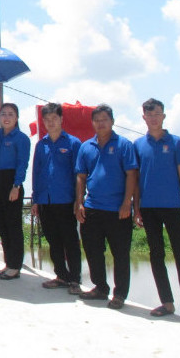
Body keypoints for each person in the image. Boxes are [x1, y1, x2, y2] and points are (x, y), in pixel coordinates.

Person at [133, 99, 180, 324]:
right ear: (144, 117)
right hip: (148, 208)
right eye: (149, 115)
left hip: (173, 206)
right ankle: (167, 303)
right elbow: (136, 180)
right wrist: (136, 208)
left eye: (157, 114)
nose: (153, 118)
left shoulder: (176, 142)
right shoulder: (138, 145)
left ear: (163, 116)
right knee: (156, 255)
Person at [75, 104, 138, 310]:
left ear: (112, 121)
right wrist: (79, 202)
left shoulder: (124, 145)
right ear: (92, 123)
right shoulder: (86, 147)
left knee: (120, 254)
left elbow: (132, 175)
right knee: (93, 250)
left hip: (118, 210)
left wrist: (127, 203)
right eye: (97, 120)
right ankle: (100, 287)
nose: (101, 123)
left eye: (105, 119)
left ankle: (119, 294)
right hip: (92, 208)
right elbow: (81, 176)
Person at [31, 103, 83, 294]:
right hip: (45, 200)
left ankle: (75, 279)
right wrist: (35, 200)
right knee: (53, 240)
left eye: (54, 118)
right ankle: (61, 275)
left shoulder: (73, 143)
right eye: (47, 119)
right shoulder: (41, 145)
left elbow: (79, 174)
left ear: (61, 119)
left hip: (66, 200)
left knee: (70, 241)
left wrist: (79, 201)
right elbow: (36, 173)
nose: (50, 122)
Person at [0, 103, 30, 280]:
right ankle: (9, 263)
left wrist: (16, 186)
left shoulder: (21, 138)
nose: (7, 117)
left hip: (12, 182)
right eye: (3, 114)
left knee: (13, 225)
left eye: (10, 114)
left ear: (17, 117)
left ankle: (15, 266)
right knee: (1, 224)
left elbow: (22, 164)